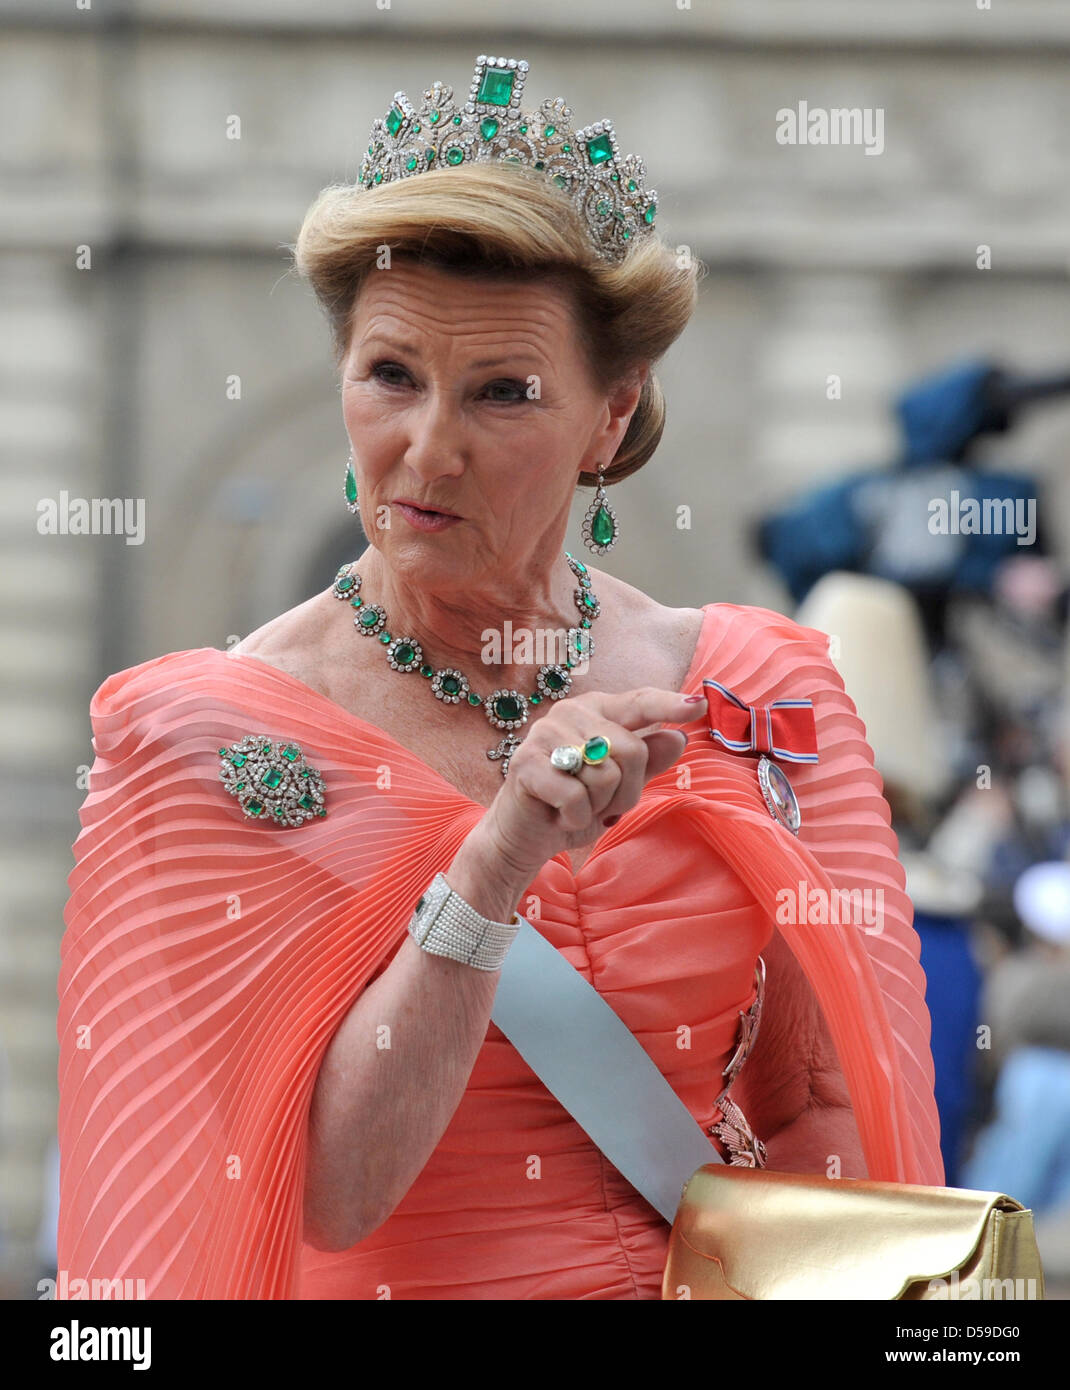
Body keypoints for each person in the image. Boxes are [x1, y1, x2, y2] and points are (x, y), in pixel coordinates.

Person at [57, 53, 943, 1300]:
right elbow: (328, 1188)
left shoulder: (759, 686)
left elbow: (815, 1098)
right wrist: (497, 855)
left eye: (502, 393)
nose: (427, 449)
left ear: (609, 414)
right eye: (390, 375)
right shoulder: (204, 732)